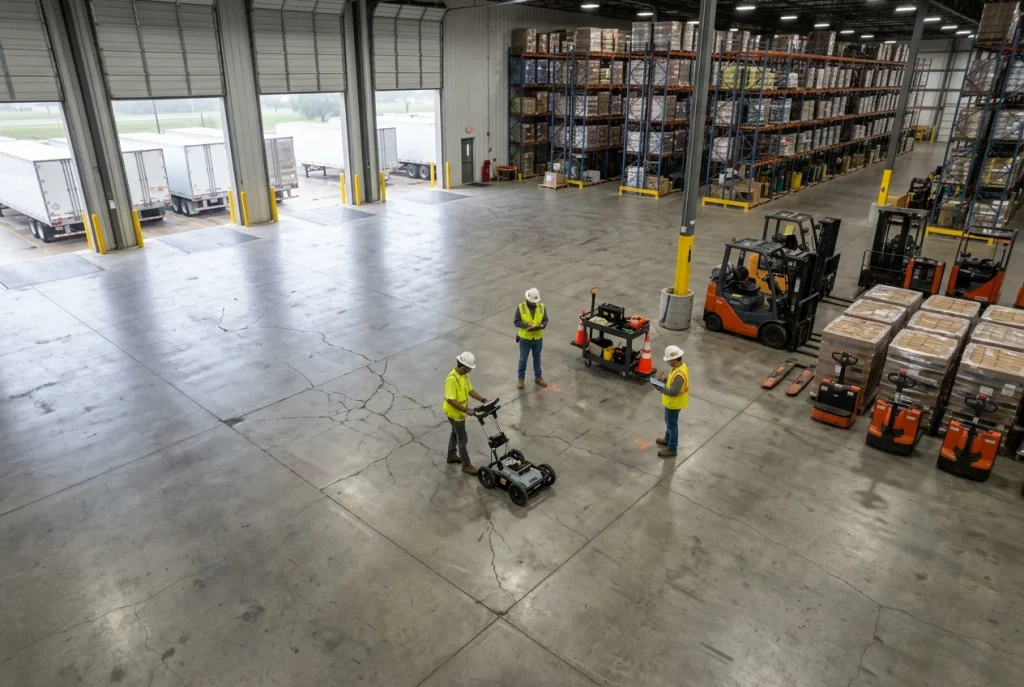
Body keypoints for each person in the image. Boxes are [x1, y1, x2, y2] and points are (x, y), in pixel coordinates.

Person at [443, 351, 489, 475]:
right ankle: (466, 464)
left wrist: (483, 400)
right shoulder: (451, 379)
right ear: (463, 367)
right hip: (454, 413)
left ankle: (451, 455)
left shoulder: (464, 376)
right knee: (462, 438)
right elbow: (450, 400)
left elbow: (470, 390)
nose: (470, 371)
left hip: (460, 412)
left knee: (455, 433)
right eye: (469, 368)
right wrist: (466, 410)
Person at [657, 345, 689, 458]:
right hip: (671, 403)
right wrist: (664, 380)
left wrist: (660, 388)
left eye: (669, 361)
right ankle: (667, 439)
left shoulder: (679, 375)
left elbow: (674, 392)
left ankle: (672, 448)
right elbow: (671, 379)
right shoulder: (678, 367)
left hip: (674, 404)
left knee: (672, 426)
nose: (668, 363)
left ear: (675, 360)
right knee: (668, 421)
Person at [514, 287, 548, 390]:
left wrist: (542, 325)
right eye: (532, 302)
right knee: (523, 359)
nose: (534, 304)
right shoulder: (520, 307)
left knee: (537, 359)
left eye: (535, 302)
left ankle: (538, 377)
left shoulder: (542, 307)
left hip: (537, 338)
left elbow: (545, 320)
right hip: (525, 339)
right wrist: (526, 325)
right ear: (528, 299)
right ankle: (521, 379)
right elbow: (516, 322)